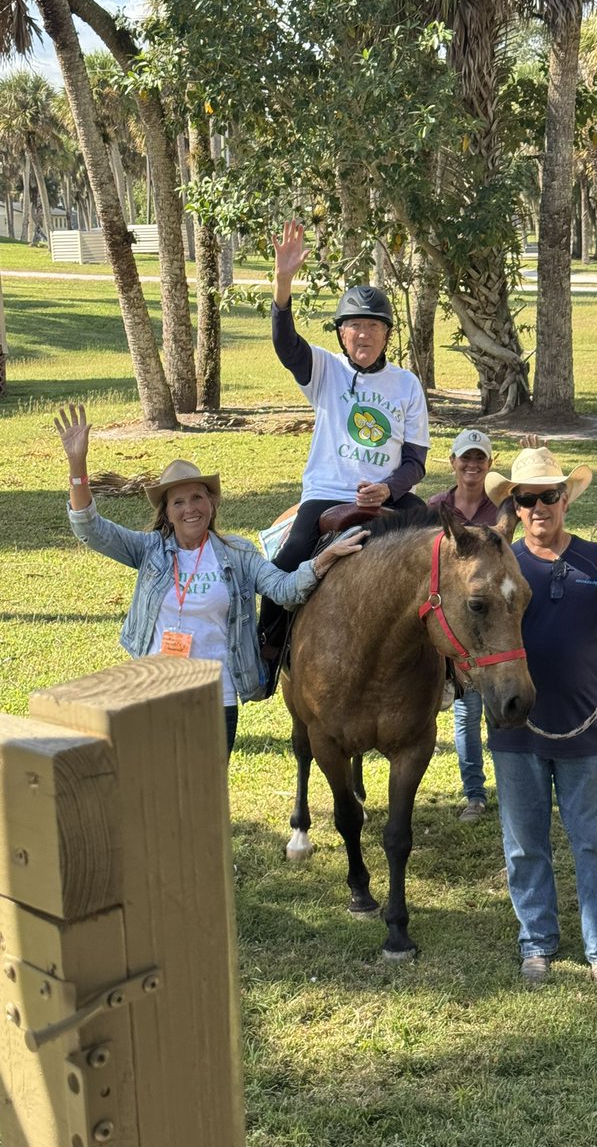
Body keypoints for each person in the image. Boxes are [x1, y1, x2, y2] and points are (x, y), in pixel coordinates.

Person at [56, 403, 367, 754]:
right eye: (178, 502)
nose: (190, 508)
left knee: (205, 797)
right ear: (167, 514)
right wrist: (77, 466)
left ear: (212, 503)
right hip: (151, 693)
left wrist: (323, 559)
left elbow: (284, 590)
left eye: (197, 497)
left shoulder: (237, 553)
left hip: (215, 698)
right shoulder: (149, 550)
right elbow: (90, 529)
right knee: (154, 792)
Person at [483, 440, 597, 984]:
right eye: (526, 500)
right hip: (516, 726)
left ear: (565, 499)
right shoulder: (499, 564)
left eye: (548, 497)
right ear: (514, 506)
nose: (538, 509)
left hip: (586, 727)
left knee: (595, 844)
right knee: (523, 844)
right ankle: (537, 941)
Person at [257, 219, 430, 688]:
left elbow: (415, 460)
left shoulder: (407, 384)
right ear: (341, 334)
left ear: (386, 334)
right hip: (326, 493)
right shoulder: (326, 370)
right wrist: (283, 282)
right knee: (285, 565)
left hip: (389, 498)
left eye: (373, 326)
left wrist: (388, 488)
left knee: (442, 551)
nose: (363, 334)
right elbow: (285, 345)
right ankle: (267, 651)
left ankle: (450, 668)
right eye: (354, 325)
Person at [427, 429, 497, 821]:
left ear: (490, 464)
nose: (472, 465)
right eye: (465, 458)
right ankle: (475, 795)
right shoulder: (435, 508)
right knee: (467, 712)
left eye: (480, 459)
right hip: (457, 627)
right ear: (452, 462)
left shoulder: (501, 508)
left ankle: (513, 783)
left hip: (493, 625)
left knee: (501, 710)